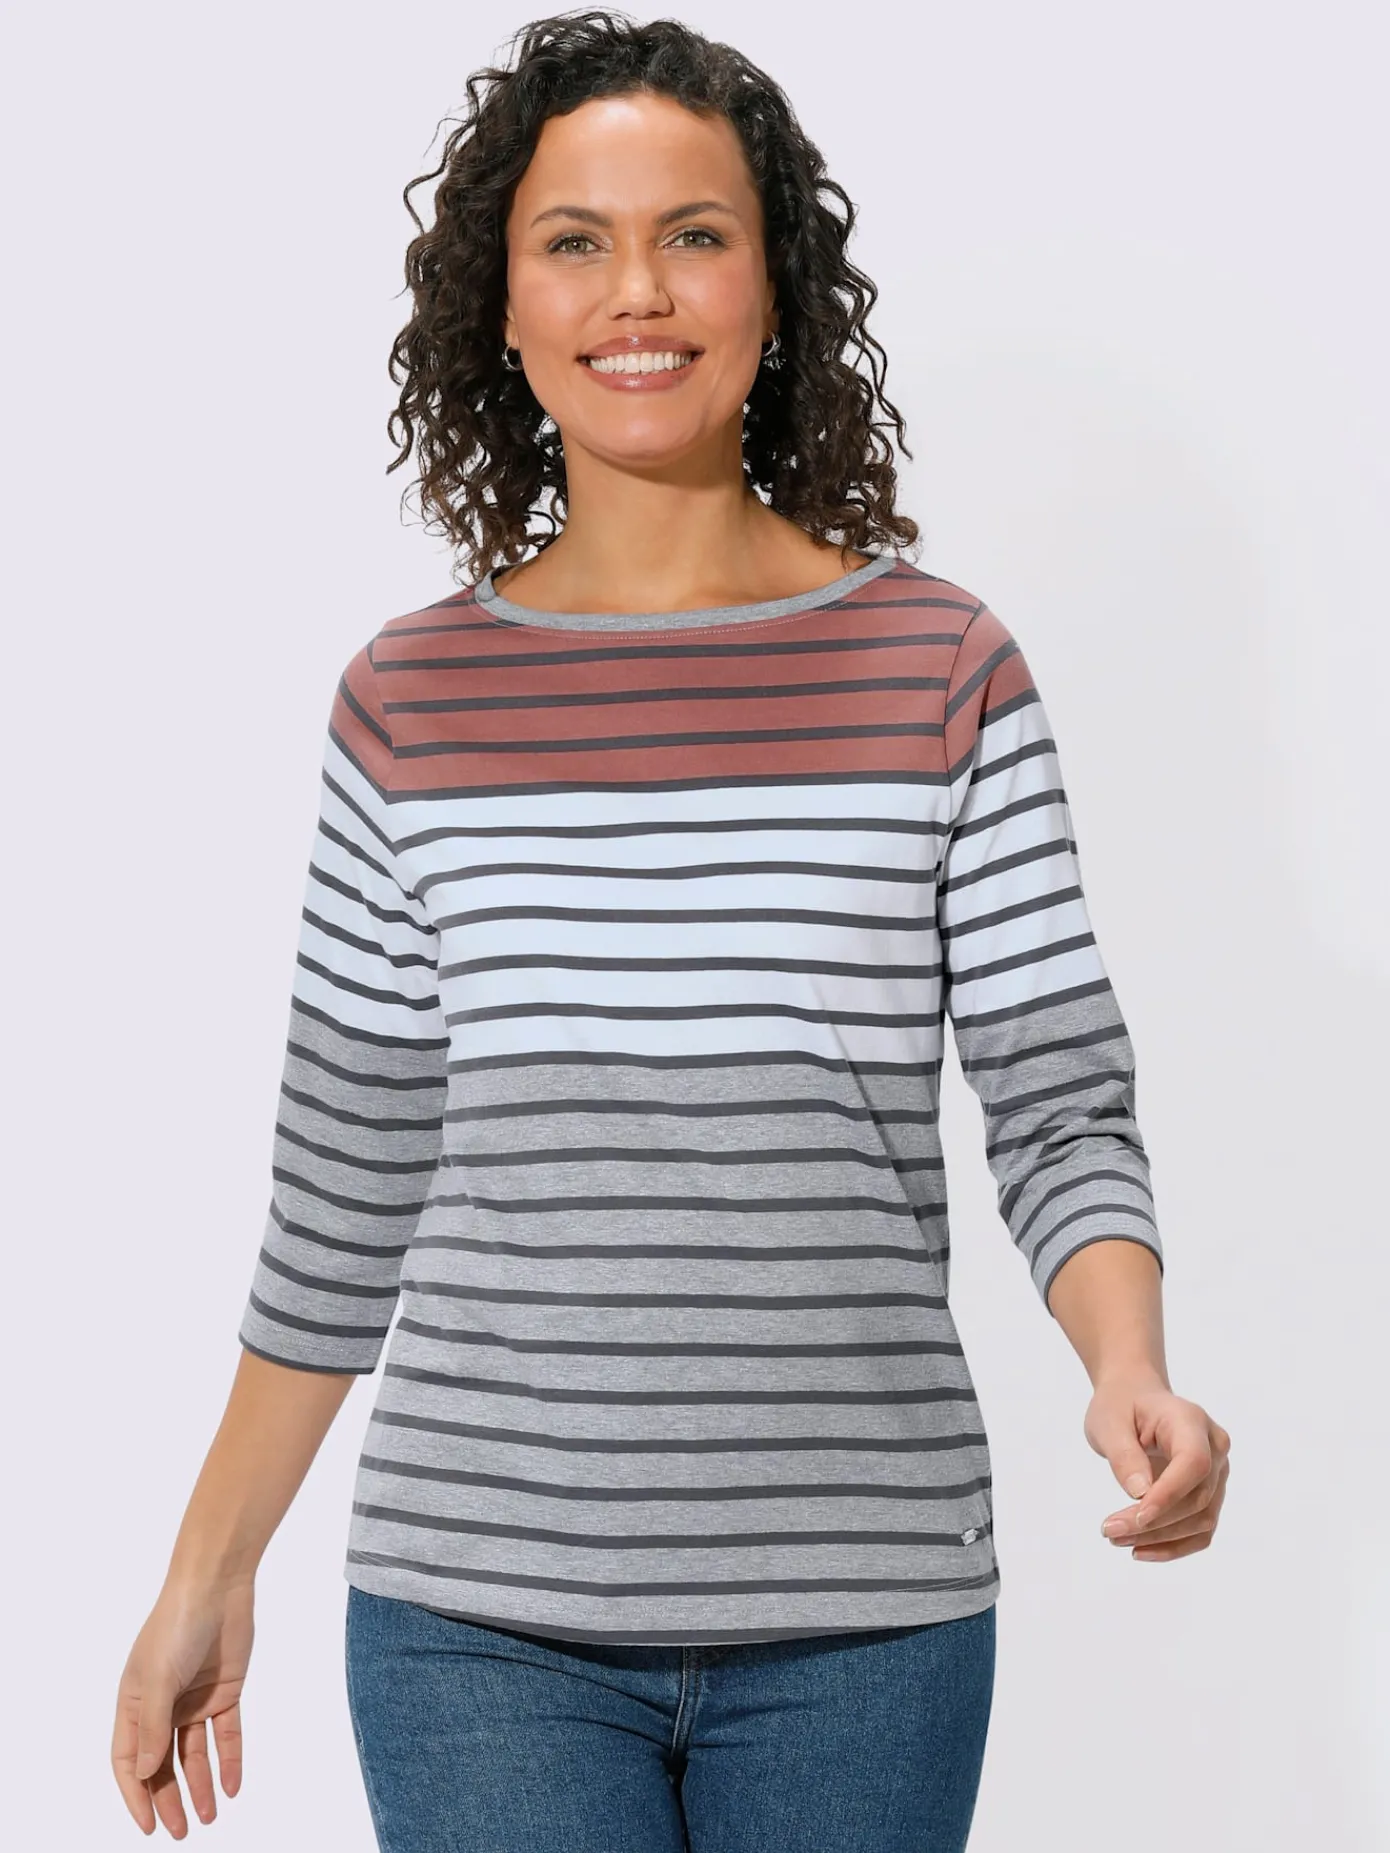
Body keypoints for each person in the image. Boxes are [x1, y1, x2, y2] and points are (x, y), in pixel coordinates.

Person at [111, 12, 1231, 1849]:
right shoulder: (407, 704)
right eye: (576, 241)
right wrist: (203, 1574)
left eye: (693, 235)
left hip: (868, 1617)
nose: (636, 291)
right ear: (502, 306)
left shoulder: (941, 670)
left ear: (773, 288)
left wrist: (1128, 1370)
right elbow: (343, 1186)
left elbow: (1056, 1106)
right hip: (474, 1622)